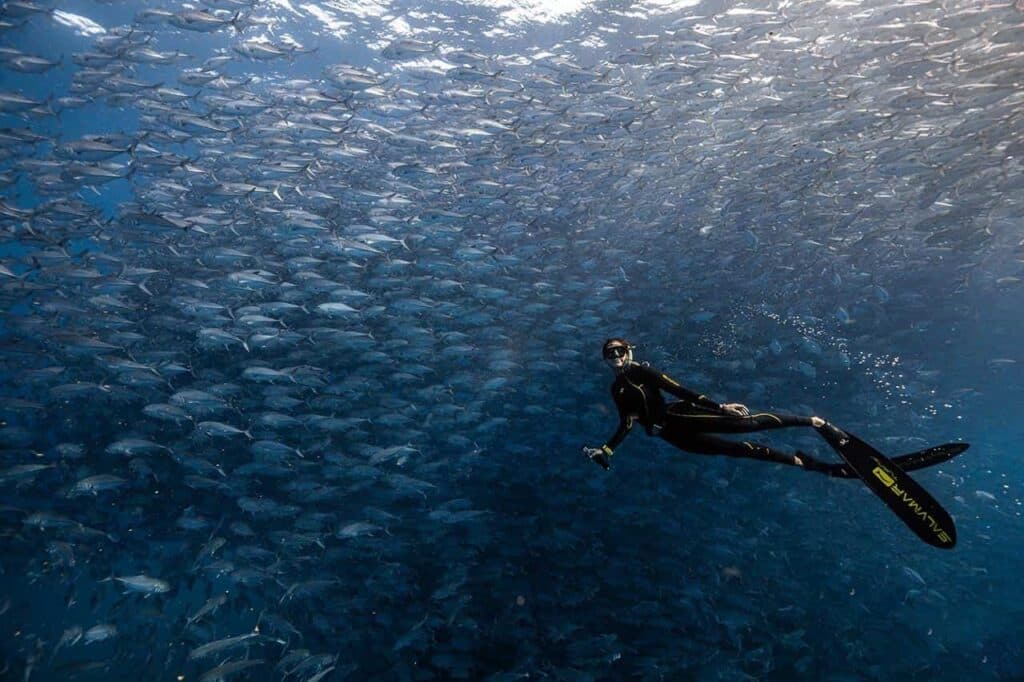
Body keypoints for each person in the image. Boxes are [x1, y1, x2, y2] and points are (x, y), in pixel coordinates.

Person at [582, 338, 834, 472]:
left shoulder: (644, 373)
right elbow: (627, 421)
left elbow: (679, 390)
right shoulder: (617, 388)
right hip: (672, 436)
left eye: (619, 351)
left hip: (681, 416)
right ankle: (806, 464)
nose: (616, 356)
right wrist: (606, 450)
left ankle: (813, 422)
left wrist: (719, 407)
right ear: (605, 360)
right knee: (735, 450)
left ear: (628, 352)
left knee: (748, 425)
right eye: (610, 353)